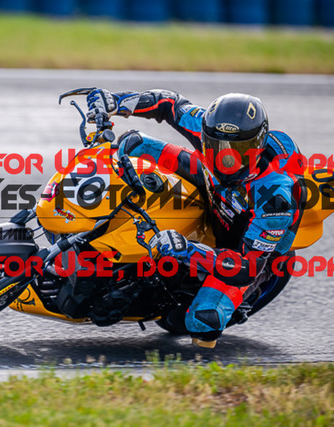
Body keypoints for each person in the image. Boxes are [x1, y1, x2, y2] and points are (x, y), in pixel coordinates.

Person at [86, 88, 306, 348]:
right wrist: (118, 101)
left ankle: (227, 305)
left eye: (237, 151)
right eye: (215, 146)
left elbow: (247, 268)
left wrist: (187, 250)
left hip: (249, 252)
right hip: (214, 186)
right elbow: (169, 103)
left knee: (203, 322)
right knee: (131, 144)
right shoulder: (207, 128)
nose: (225, 160)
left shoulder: (275, 199)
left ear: (257, 146)